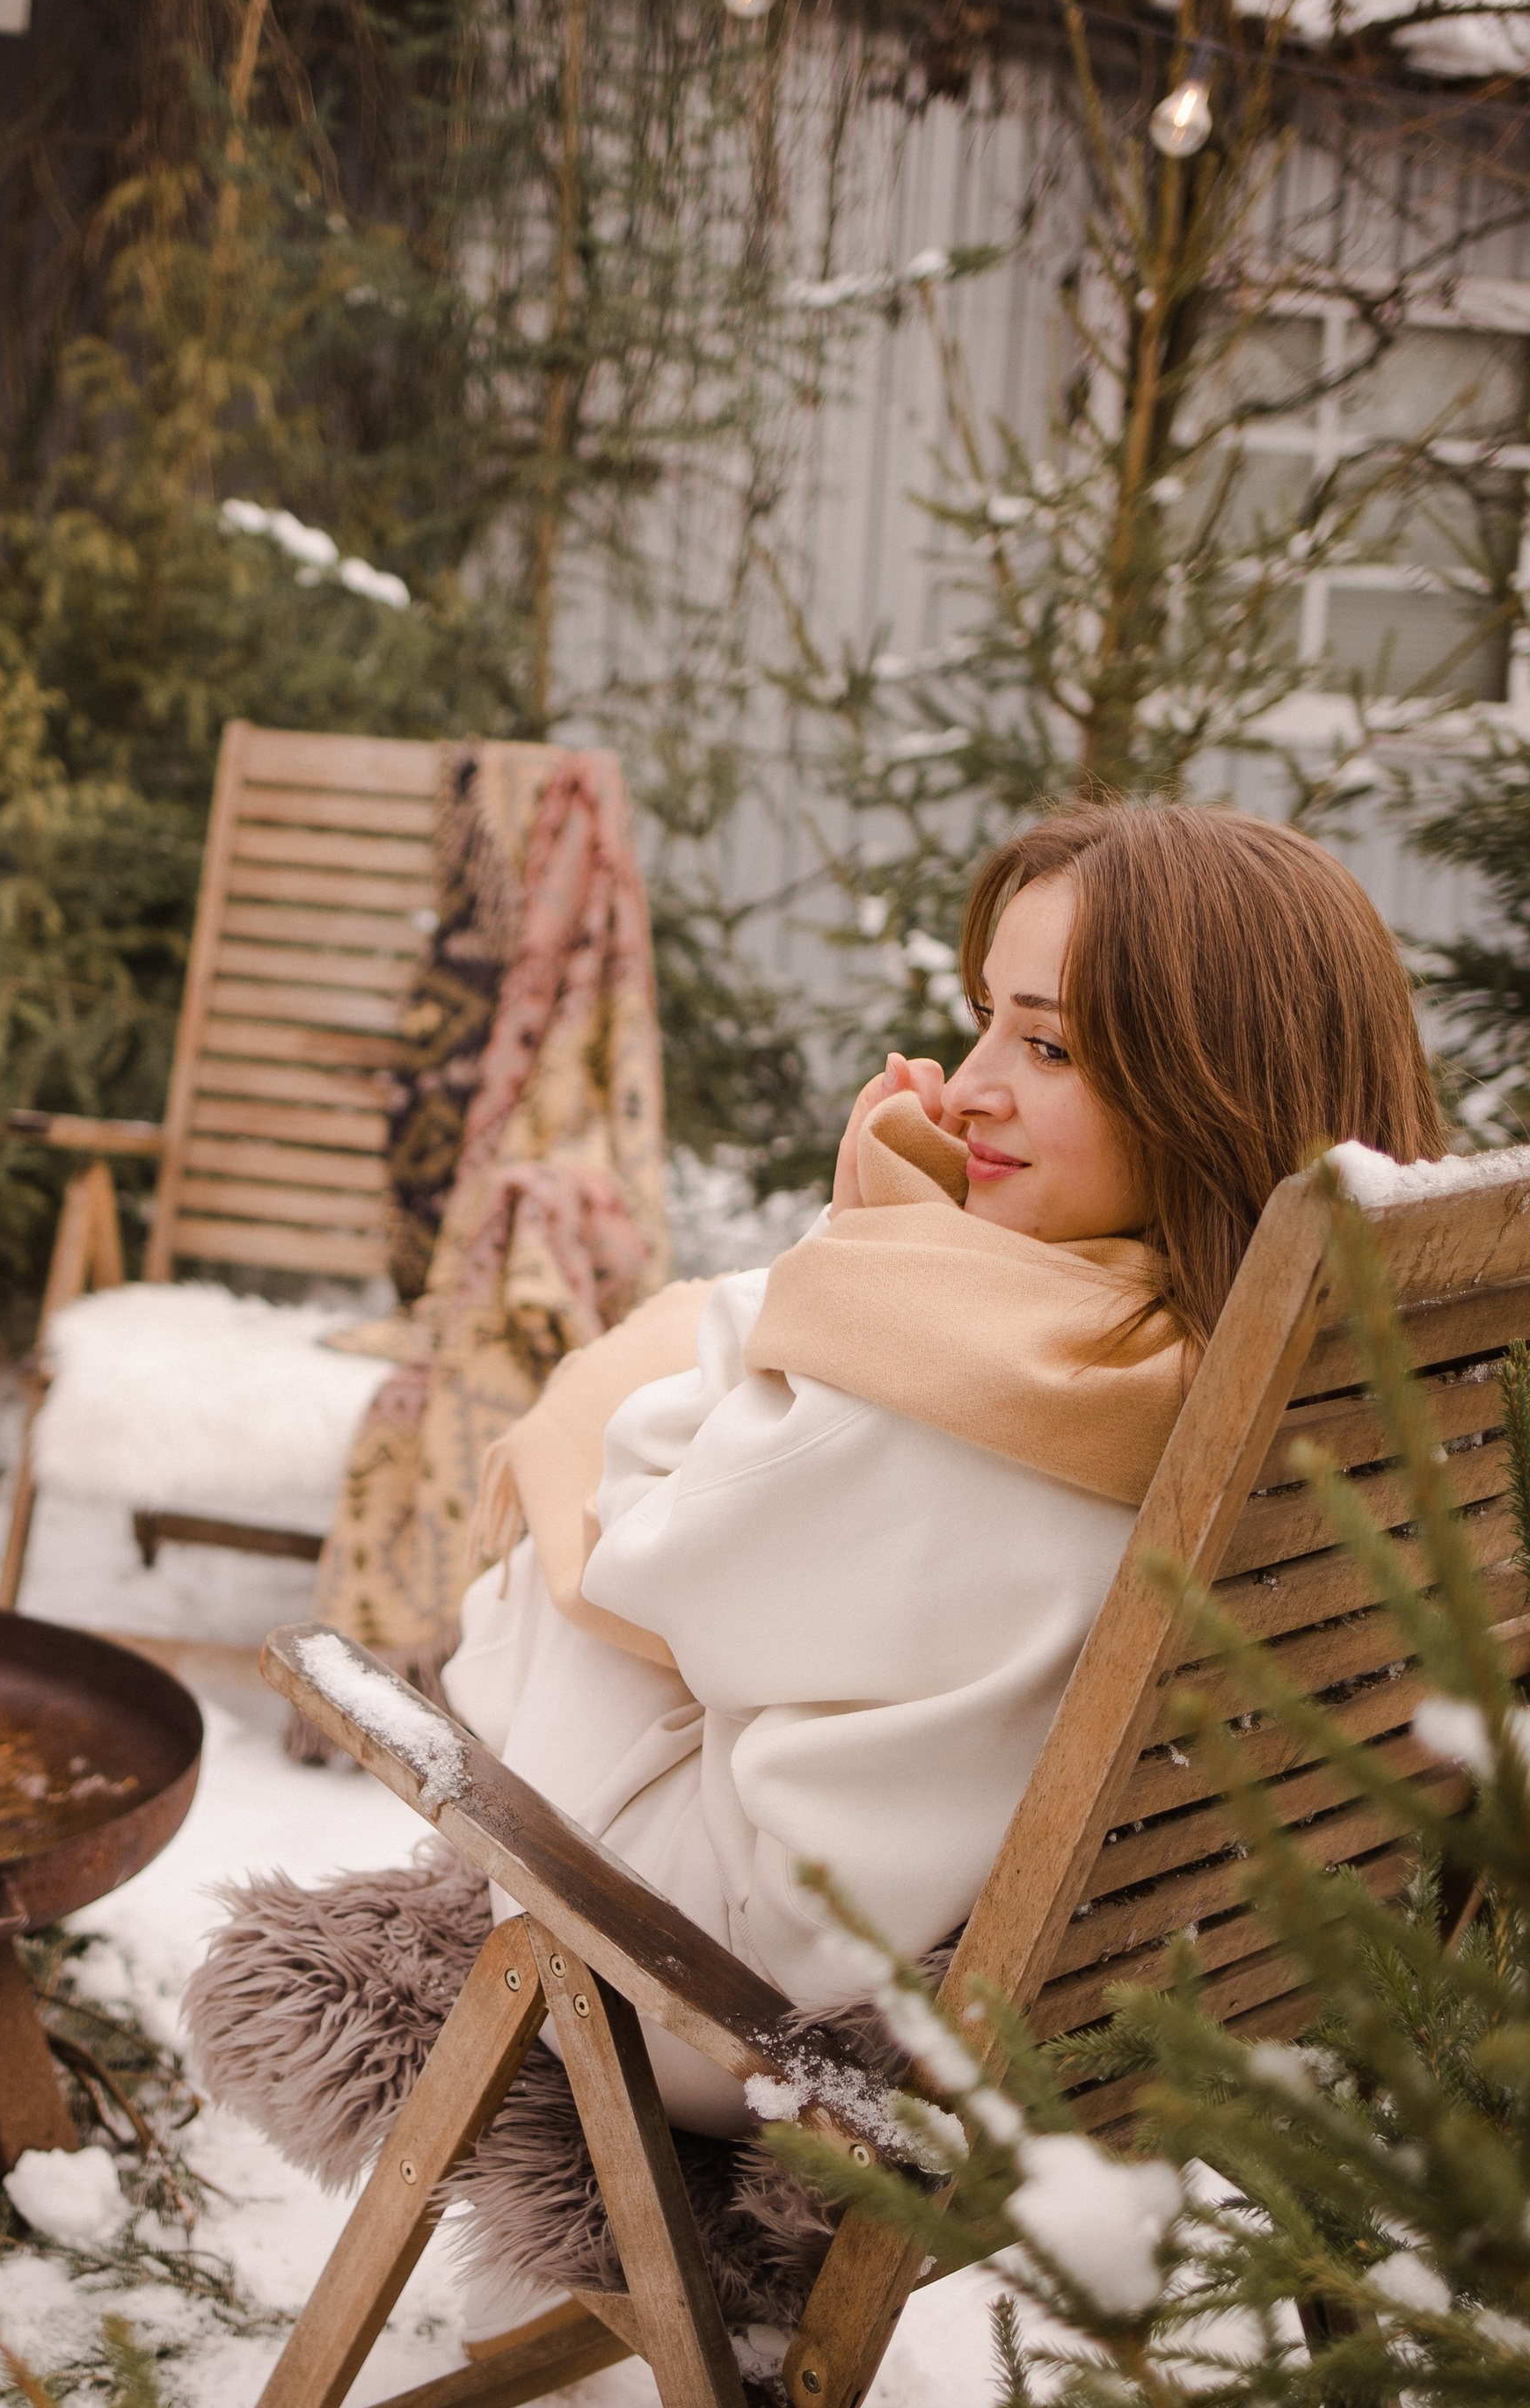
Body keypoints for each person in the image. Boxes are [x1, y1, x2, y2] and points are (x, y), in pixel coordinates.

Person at [435, 797, 1446, 2134]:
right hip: (1092, 1975)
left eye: (1047, 1044)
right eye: (985, 1021)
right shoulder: (1285, 1362)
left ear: (1215, 1082)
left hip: (707, 1993)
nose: (968, 1086)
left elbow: (647, 1558)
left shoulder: (974, 1395)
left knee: (546, 1558)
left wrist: (856, 1261)